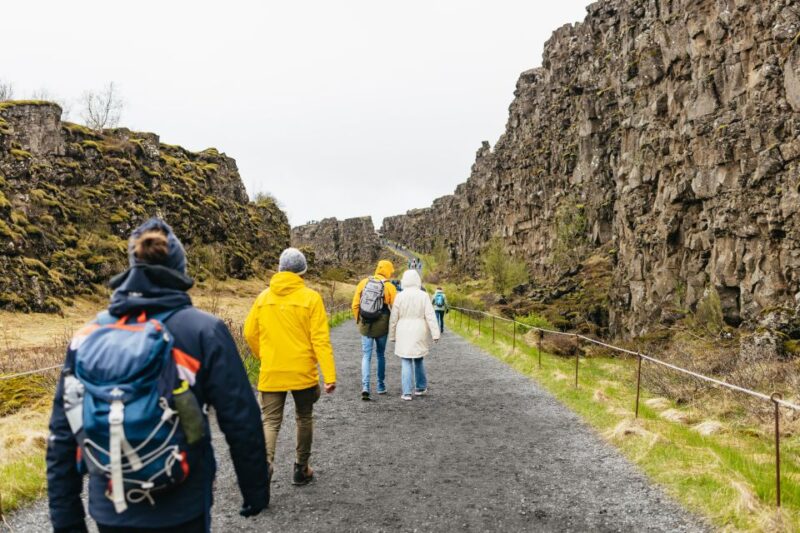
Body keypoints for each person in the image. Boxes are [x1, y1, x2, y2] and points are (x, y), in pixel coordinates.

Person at [46, 218, 268, 533]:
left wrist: (67, 521)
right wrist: (255, 491)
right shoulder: (204, 330)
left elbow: (62, 434)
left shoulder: (88, 336)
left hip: (111, 507)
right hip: (182, 505)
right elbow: (240, 418)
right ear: (179, 270)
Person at [244, 248, 336, 486]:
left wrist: (264, 356)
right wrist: (329, 375)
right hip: (302, 371)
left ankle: (264, 465)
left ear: (280, 269)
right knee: (304, 417)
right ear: (302, 272)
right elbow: (320, 340)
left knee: (270, 421)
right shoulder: (311, 298)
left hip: (272, 370)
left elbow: (249, 332)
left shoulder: (263, 298)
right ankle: (301, 469)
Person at [388, 269, 440, 400]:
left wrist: (392, 335)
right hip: (419, 330)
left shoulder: (400, 296)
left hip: (403, 330)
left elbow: (394, 317)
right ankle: (420, 387)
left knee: (405, 360)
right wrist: (435, 334)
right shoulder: (423, 295)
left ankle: (406, 393)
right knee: (418, 358)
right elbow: (430, 315)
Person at [351, 260, 397, 400]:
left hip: (365, 322)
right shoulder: (389, 286)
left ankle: (365, 386)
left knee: (366, 355)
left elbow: (355, 305)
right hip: (382, 322)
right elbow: (395, 307)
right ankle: (381, 386)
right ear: (388, 271)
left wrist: (359, 321)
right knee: (381, 354)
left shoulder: (364, 282)